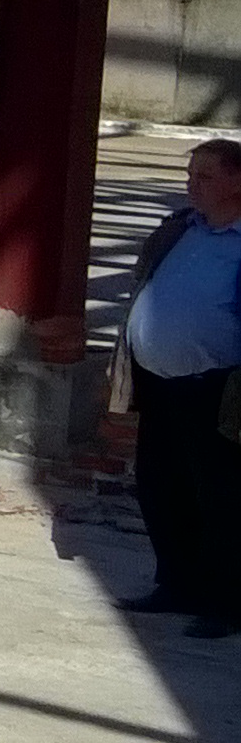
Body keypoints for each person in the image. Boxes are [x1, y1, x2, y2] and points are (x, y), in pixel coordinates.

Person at [121, 139, 241, 637]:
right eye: (190, 175)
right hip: (159, 384)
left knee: (220, 497)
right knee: (160, 485)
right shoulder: (180, 229)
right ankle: (177, 583)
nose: (192, 185)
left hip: (216, 390)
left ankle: (227, 603)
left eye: (205, 176)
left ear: (237, 182)